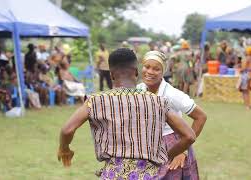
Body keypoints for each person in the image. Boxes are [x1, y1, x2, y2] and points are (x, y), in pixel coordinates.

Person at [57, 48, 196, 179]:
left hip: (113, 174)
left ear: (111, 74)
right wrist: (166, 156)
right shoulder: (158, 102)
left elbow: (67, 129)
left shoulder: (95, 101)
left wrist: (64, 149)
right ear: (136, 72)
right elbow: (189, 136)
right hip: (149, 175)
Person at [137, 51, 207, 180]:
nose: (150, 72)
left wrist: (182, 150)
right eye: (147, 67)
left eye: (156, 69)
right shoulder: (139, 89)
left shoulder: (172, 94)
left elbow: (201, 117)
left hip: (173, 147)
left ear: (163, 72)